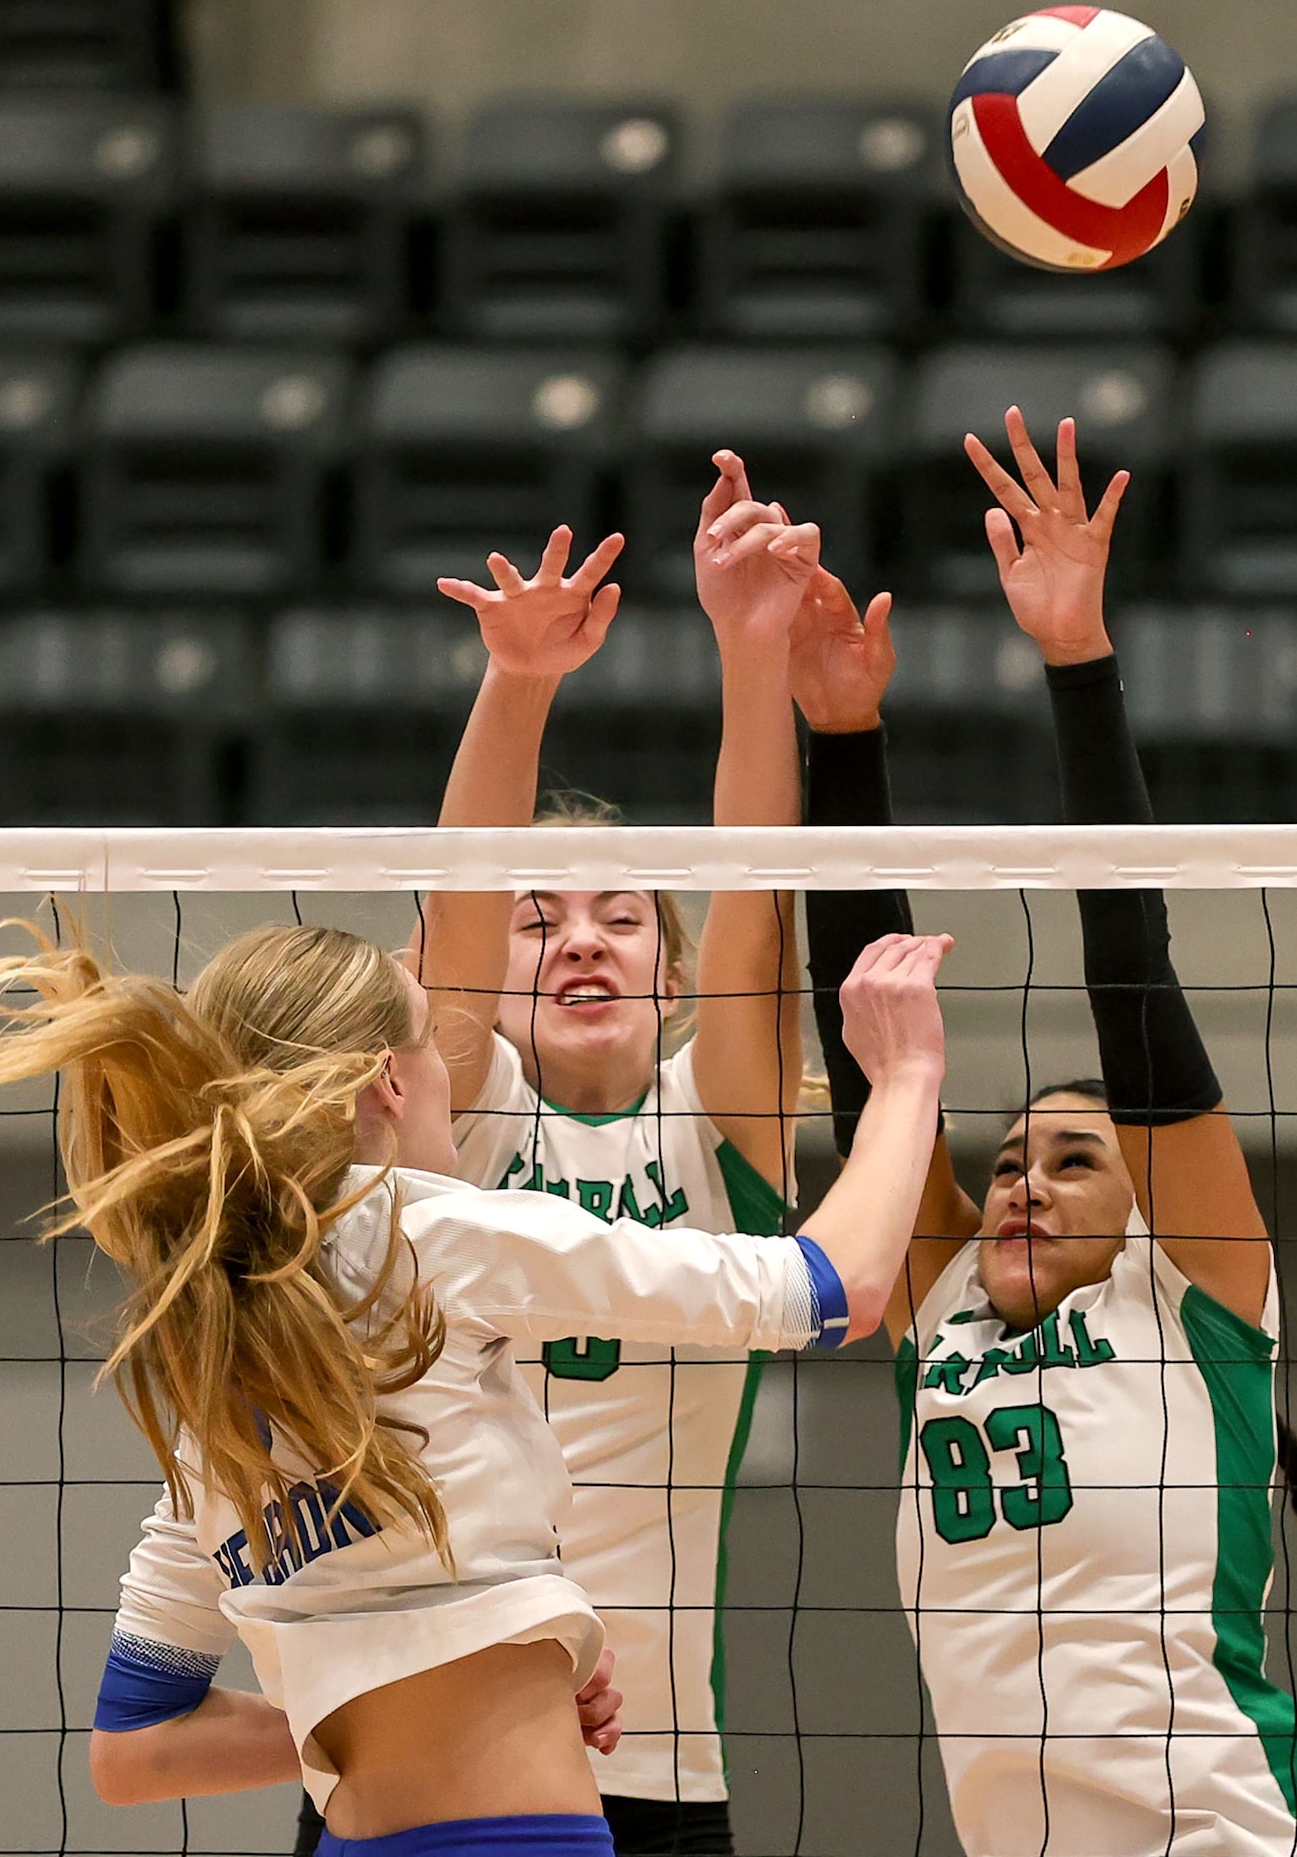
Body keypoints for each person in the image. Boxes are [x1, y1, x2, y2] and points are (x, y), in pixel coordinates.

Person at [0, 916, 950, 1857]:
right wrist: (905, 1076)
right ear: (389, 1082)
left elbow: (134, 1752)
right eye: (435, 1048)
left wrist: (445, 1678)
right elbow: (831, 1289)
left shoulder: (213, 1376)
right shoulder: (437, 1232)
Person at [795, 408, 1297, 1857]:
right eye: (1007, 1159)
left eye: (1072, 1159)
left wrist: (1076, 658)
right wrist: (842, 735)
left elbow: (1137, 988)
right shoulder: (939, 1314)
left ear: (1144, 1200)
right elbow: (869, 1045)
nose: (1019, 1182)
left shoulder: (1194, 1302)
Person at [360, 456, 818, 1857]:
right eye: (540, 919)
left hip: (661, 1759)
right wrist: (518, 681)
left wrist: (755, 649)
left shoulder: (716, 1119)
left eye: (622, 916)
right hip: (427, 1735)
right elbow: (458, 891)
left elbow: (755, 887)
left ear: (673, 975)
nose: (579, 939)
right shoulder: (469, 1107)